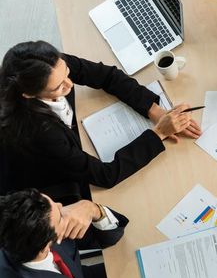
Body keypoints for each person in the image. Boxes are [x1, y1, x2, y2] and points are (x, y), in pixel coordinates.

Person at [0, 41, 200, 202]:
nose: (70, 84)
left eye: (68, 74)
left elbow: (107, 76)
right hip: (44, 180)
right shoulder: (41, 133)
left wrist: (153, 109)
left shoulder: (49, 65)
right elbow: (106, 176)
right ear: (28, 94)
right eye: (58, 87)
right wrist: (159, 133)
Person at [0, 189, 217, 278]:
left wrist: (92, 209)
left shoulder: (26, 226)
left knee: (145, 268)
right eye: (58, 212)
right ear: (48, 242)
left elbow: (109, 237)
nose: (61, 206)